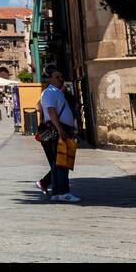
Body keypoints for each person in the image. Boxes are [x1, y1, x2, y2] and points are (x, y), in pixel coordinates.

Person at [37, 65, 80, 202]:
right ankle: (63, 192)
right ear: (49, 79)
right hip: (58, 130)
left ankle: (56, 192)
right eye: (57, 77)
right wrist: (60, 129)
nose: (61, 79)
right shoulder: (50, 92)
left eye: (61, 77)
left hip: (62, 128)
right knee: (61, 163)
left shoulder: (55, 92)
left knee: (59, 163)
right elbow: (51, 111)